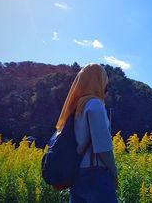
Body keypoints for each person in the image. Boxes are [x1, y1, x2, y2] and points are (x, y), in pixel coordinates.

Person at [55, 63, 118, 203]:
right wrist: (114, 172)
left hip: (76, 175)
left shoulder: (75, 107)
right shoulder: (95, 105)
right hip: (96, 175)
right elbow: (103, 147)